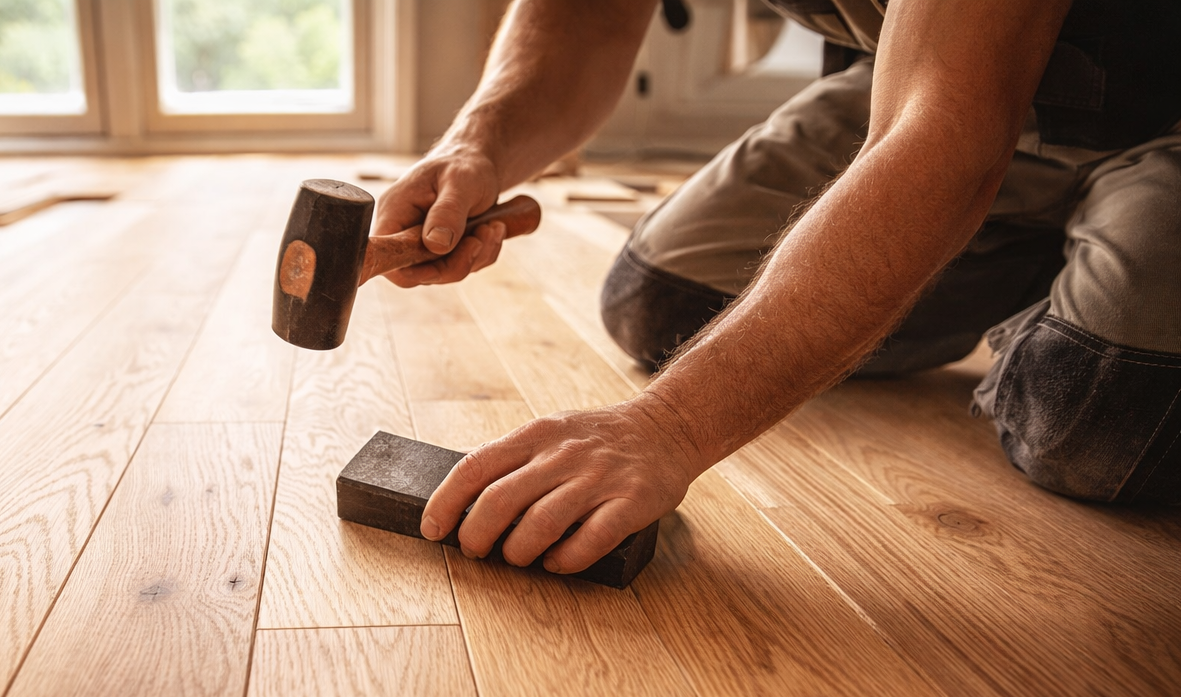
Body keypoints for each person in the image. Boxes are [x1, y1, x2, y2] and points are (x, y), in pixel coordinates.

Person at [376, 0, 1181, 577]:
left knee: (1094, 420)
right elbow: (587, 15)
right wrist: (477, 143)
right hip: (927, 75)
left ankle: (1067, 250)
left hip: (1129, 109)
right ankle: (1035, 249)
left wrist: (669, 426)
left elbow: (943, 135)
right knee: (667, 307)